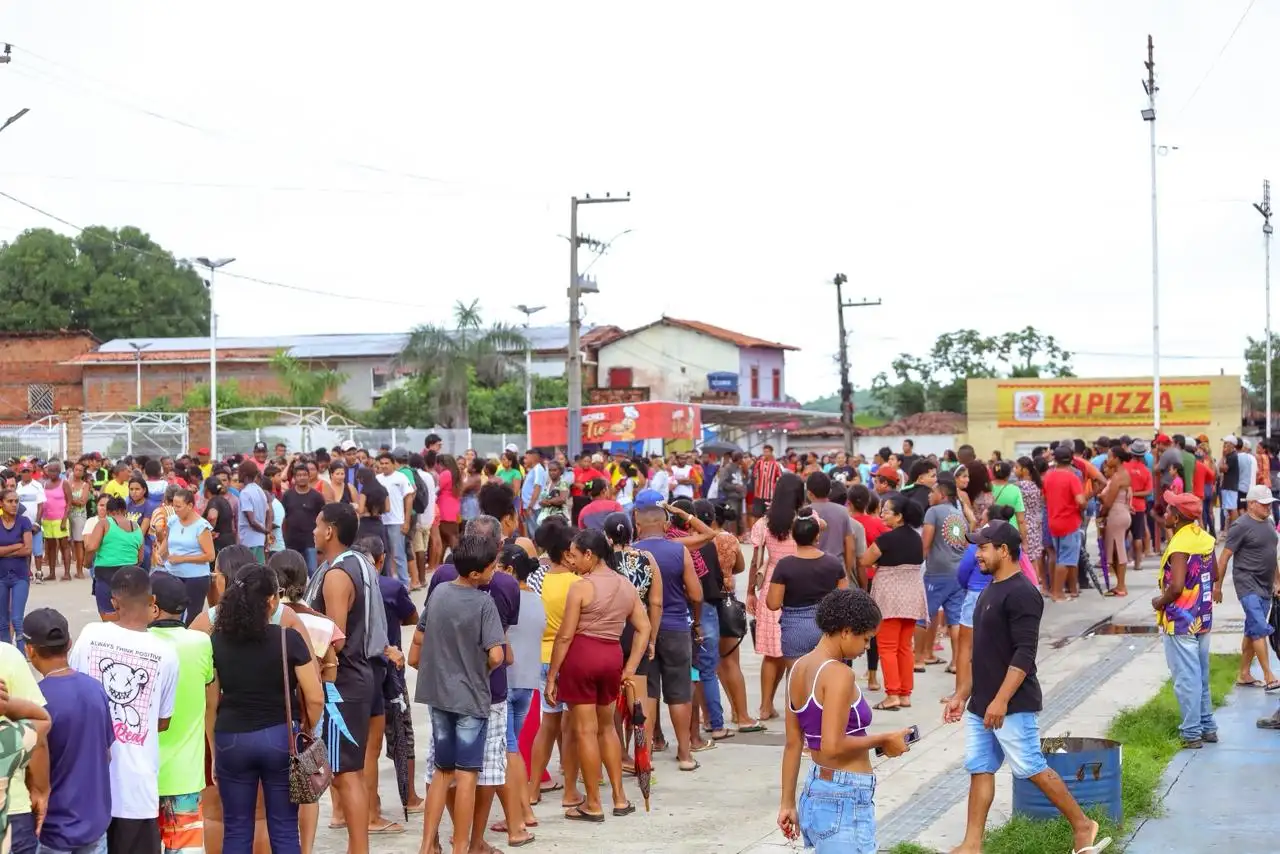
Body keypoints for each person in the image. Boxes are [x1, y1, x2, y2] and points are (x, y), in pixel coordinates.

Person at [943, 520, 1109, 854]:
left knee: (1031, 766)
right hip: (982, 703)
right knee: (980, 768)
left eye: (984, 547)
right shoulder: (989, 590)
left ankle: (1083, 825)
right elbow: (982, 653)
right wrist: (962, 694)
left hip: (1012, 703)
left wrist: (1001, 700)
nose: (977, 554)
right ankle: (972, 844)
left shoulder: (1022, 593)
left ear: (1004, 550)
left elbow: (1024, 654)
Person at [417, 516, 520, 854]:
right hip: (472, 699)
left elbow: (420, 637)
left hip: (438, 695)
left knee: (441, 772)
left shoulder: (441, 591)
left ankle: (426, 844)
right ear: (476, 573)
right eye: (491, 568)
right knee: (468, 774)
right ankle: (462, 845)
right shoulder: (484, 603)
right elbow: (497, 656)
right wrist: (483, 667)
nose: (495, 572)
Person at [778, 588, 909, 853]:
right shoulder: (838, 674)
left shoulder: (798, 669)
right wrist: (885, 739)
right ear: (847, 631)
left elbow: (793, 746)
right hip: (845, 796)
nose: (867, 647)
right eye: (866, 639)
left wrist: (787, 803)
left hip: (816, 790)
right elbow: (833, 745)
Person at [210, 564, 324, 854]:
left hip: (231, 738)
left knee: (236, 828)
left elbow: (211, 702)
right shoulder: (288, 638)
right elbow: (315, 697)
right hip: (280, 738)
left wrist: (213, 749)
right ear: (272, 601)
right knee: (285, 828)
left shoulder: (217, 641)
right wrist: (307, 729)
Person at [69, 567, 179, 853]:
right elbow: (162, 721)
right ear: (152, 601)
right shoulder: (166, 653)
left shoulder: (89, 636)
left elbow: (75, 694)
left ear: (114, 602)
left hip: (89, 785)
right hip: (136, 787)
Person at [546, 528, 651, 821]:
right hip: (611, 658)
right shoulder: (626, 586)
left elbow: (565, 637)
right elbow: (644, 628)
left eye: (576, 555)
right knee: (607, 728)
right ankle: (619, 798)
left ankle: (593, 802)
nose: (573, 562)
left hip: (582, 657)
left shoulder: (581, 587)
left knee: (584, 731)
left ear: (590, 555)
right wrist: (630, 668)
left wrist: (552, 675)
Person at [306, 502, 386, 854]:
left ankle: (358, 847)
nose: (312, 531)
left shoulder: (338, 574)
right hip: (363, 674)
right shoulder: (361, 564)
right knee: (348, 769)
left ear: (330, 530)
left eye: (317, 525)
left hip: (344, 683)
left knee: (345, 772)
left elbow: (331, 639)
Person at [23, 608, 113, 854]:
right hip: (94, 824)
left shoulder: (35, 700)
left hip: (53, 829)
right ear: (69, 644)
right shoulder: (96, 690)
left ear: (29, 650)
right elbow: (106, 754)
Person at [634, 493, 703, 771]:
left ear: (638, 525)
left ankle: (646, 757)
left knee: (648, 693)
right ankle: (685, 755)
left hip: (642, 631)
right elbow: (696, 594)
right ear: (665, 525)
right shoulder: (679, 551)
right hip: (676, 627)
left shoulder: (632, 552)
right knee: (679, 691)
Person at [148, 572, 215, 854]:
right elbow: (211, 699)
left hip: (141, 775)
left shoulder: (139, 644)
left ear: (152, 605)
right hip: (185, 774)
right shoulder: (200, 643)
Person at [527, 518, 584, 808]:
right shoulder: (577, 583)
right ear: (565, 553)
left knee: (546, 725)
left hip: (543, 657)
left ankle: (534, 787)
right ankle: (570, 791)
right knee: (570, 728)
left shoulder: (539, 579)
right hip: (570, 659)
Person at [493, 542, 543, 847]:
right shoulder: (536, 600)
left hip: (508, 681)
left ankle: (521, 812)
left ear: (509, 570)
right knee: (512, 748)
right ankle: (522, 809)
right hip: (527, 683)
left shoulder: (504, 598)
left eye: (499, 566)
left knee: (509, 750)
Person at [858, 492, 926, 712]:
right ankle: (905, 694)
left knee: (887, 648)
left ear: (899, 517)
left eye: (887, 510)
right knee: (905, 647)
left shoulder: (886, 539)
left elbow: (865, 561)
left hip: (889, 599)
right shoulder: (917, 538)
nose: (883, 514)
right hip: (912, 598)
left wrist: (879, 565)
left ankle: (892, 694)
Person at [747, 472, 805, 722]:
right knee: (797, 651)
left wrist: (750, 590)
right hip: (801, 585)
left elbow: (755, 561)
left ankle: (764, 705)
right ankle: (796, 706)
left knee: (773, 653)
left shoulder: (764, 523)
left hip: (772, 584)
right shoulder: (806, 519)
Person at [1216, 484, 1279, 691]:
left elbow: (1272, 556)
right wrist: (1218, 586)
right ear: (1251, 504)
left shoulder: (1269, 523)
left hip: (1266, 585)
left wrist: (1277, 581)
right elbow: (1224, 558)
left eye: (1270, 504)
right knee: (1259, 628)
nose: (1268, 508)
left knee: (1252, 628)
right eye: (1264, 504)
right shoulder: (1240, 526)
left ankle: (1244, 673)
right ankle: (1269, 675)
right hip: (1247, 582)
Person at [767, 507, 848, 661]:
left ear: (793, 536)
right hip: (827, 628)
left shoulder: (784, 565)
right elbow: (844, 599)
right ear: (817, 536)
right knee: (827, 677)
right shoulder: (833, 563)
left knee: (796, 679)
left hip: (795, 628)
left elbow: (773, 603)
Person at [920, 477, 968, 672]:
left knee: (925, 614)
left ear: (941, 494)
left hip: (937, 572)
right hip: (958, 570)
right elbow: (965, 543)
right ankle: (956, 662)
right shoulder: (959, 514)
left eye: (932, 492)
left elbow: (926, 543)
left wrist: (919, 562)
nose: (929, 495)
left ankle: (920, 656)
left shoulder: (932, 512)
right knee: (955, 619)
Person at [154, 488, 216, 626]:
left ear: (190, 506)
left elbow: (210, 555)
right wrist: (160, 553)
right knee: (170, 612)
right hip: (173, 574)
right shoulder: (172, 521)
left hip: (195, 577)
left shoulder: (201, 526)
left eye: (179, 506)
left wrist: (183, 559)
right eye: (173, 505)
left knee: (191, 616)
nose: (175, 509)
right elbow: (168, 540)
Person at [83, 497, 143, 621]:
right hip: (130, 573)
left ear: (108, 512)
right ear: (125, 511)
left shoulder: (104, 523)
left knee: (107, 613)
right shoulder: (136, 526)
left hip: (106, 573)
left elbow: (91, 547)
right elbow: (140, 557)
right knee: (127, 613)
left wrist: (87, 563)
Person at [1042, 444, 1085, 601]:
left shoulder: (1048, 476)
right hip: (1069, 522)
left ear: (1055, 459)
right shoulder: (1072, 477)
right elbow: (1080, 501)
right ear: (1071, 458)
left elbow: (1044, 498)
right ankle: (1058, 593)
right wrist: (1083, 505)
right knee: (1066, 559)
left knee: (1061, 556)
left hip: (1054, 521)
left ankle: (1064, 589)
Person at [0, 488, 33, 651]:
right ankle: (6, 652)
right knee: (2, 619)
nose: (14, 505)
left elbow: (28, 550)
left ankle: (21, 652)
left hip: (20, 575)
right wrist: (15, 547)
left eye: (16, 501)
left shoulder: (24, 521)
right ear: (1, 503)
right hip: (1, 576)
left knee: (17, 618)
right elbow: (22, 547)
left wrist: (3, 552)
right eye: (10, 501)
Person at [375, 452, 414, 587]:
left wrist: (406, 521)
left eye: (387, 463)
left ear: (393, 464)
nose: (384, 466)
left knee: (398, 555)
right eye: (382, 463)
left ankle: (404, 585)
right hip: (381, 521)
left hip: (397, 521)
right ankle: (388, 583)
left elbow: (409, 499)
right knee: (384, 555)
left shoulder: (401, 477)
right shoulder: (377, 479)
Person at [1099, 448, 1133, 597]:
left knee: (1118, 549)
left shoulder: (1118, 477)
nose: (1108, 460)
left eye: (1110, 457)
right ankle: (1120, 584)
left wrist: (1102, 514)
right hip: (1122, 512)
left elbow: (1108, 501)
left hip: (1116, 514)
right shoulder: (1124, 475)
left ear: (1117, 459)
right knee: (1115, 549)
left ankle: (1121, 585)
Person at [282, 463, 326, 576]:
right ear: (294, 478)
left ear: (309, 476)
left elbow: (323, 518)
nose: (302, 477)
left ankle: (313, 593)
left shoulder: (316, 496)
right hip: (291, 541)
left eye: (305, 474)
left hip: (310, 541)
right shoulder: (287, 495)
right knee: (292, 573)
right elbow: (283, 517)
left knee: (312, 571)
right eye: (299, 475)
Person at [39, 461, 71, 582]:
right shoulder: (45, 484)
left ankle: (67, 573)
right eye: (50, 471)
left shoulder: (64, 483)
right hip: (47, 519)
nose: (52, 473)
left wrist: (64, 520)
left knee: (64, 546)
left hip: (60, 519)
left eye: (54, 471)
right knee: (51, 547)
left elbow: (69, 503)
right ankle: (52, 573)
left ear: (59, 472)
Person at [15, 465, 45, 586]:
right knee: (26, 551)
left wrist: (37, 523)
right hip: (22, 524)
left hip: (34, 524)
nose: (26, 474)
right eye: (23, 471)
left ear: (32, 472)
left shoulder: (37, 486)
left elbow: (41, 506)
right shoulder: (17, 487)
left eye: (28, 471)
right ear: (20, 473)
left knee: (37, 551)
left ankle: (39, 573)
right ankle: (27, 573)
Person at [235, 460, 270, 561]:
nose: (238, 475)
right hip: (259, 541)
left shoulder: (245, 493)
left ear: (244, 475)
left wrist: (266, 532)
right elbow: (268, 513)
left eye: (239, 472)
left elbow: (252, 522)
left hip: (249, 542)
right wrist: (265, 532)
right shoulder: (260, 491)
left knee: (250, 572)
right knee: (259, 570)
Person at [67, 462, 92, 579]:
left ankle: (79, 570)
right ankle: (67, 571)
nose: (77, 472)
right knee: (66, 542)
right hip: (67, 515)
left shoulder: (85, 485)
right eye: (76, 470)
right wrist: (75, 500)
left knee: (78, 543)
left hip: (79, 516)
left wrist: (70, 499)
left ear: (83, 473)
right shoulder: (67, 483)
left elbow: (83, 502)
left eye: (80, 470)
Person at [203, 477, 236, 557]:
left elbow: (212, 517)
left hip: (219, 542)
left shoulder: (214, 501)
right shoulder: (224, 501)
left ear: (206, 489)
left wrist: (208, 531)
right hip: (229, 540)